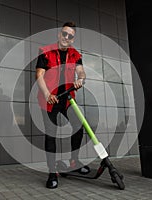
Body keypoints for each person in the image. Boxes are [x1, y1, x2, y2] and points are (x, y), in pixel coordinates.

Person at [36, 22, 90, 189]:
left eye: (70, 36)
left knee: (78, 125)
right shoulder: (45, 51)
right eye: (64, 34)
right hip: (49, 99)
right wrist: (47, 94)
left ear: (73, 39)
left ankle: (74, 161)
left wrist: (80, 79)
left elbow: (81, 71)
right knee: (51, 135)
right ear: (59, 35)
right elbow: (39, 75)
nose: (66, 37)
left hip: (67, 98)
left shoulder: (75, 54)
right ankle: (52, 173)